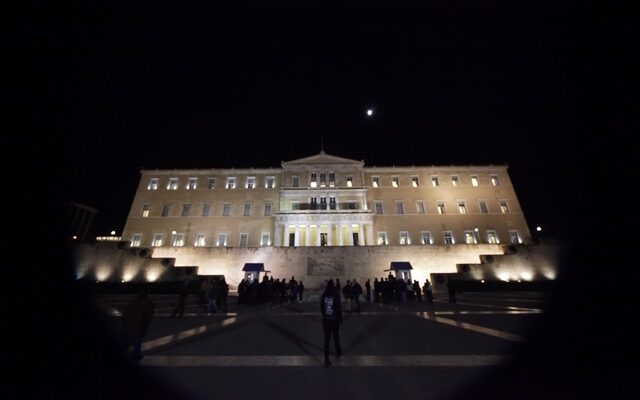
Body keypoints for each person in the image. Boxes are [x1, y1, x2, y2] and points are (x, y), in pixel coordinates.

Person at [121, 289, 154, 362]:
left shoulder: (132, 303)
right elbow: (149, 316)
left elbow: (125, 314)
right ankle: (136, 353)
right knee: (138, 339)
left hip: (129, 324)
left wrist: (124, 322)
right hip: (140, 325)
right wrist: (146, 323)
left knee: (127, 338)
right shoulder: (148, 304)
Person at [320, 279, 342, 366]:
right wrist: (340, 320)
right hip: (334, 320)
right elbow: (338, 309)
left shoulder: (323, 296)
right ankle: (338, 352)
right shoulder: (336, 296)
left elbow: (322, 308)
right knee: (336, 337)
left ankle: (326, 358)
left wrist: (325, 315)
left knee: (327, 339)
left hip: (326, 320)